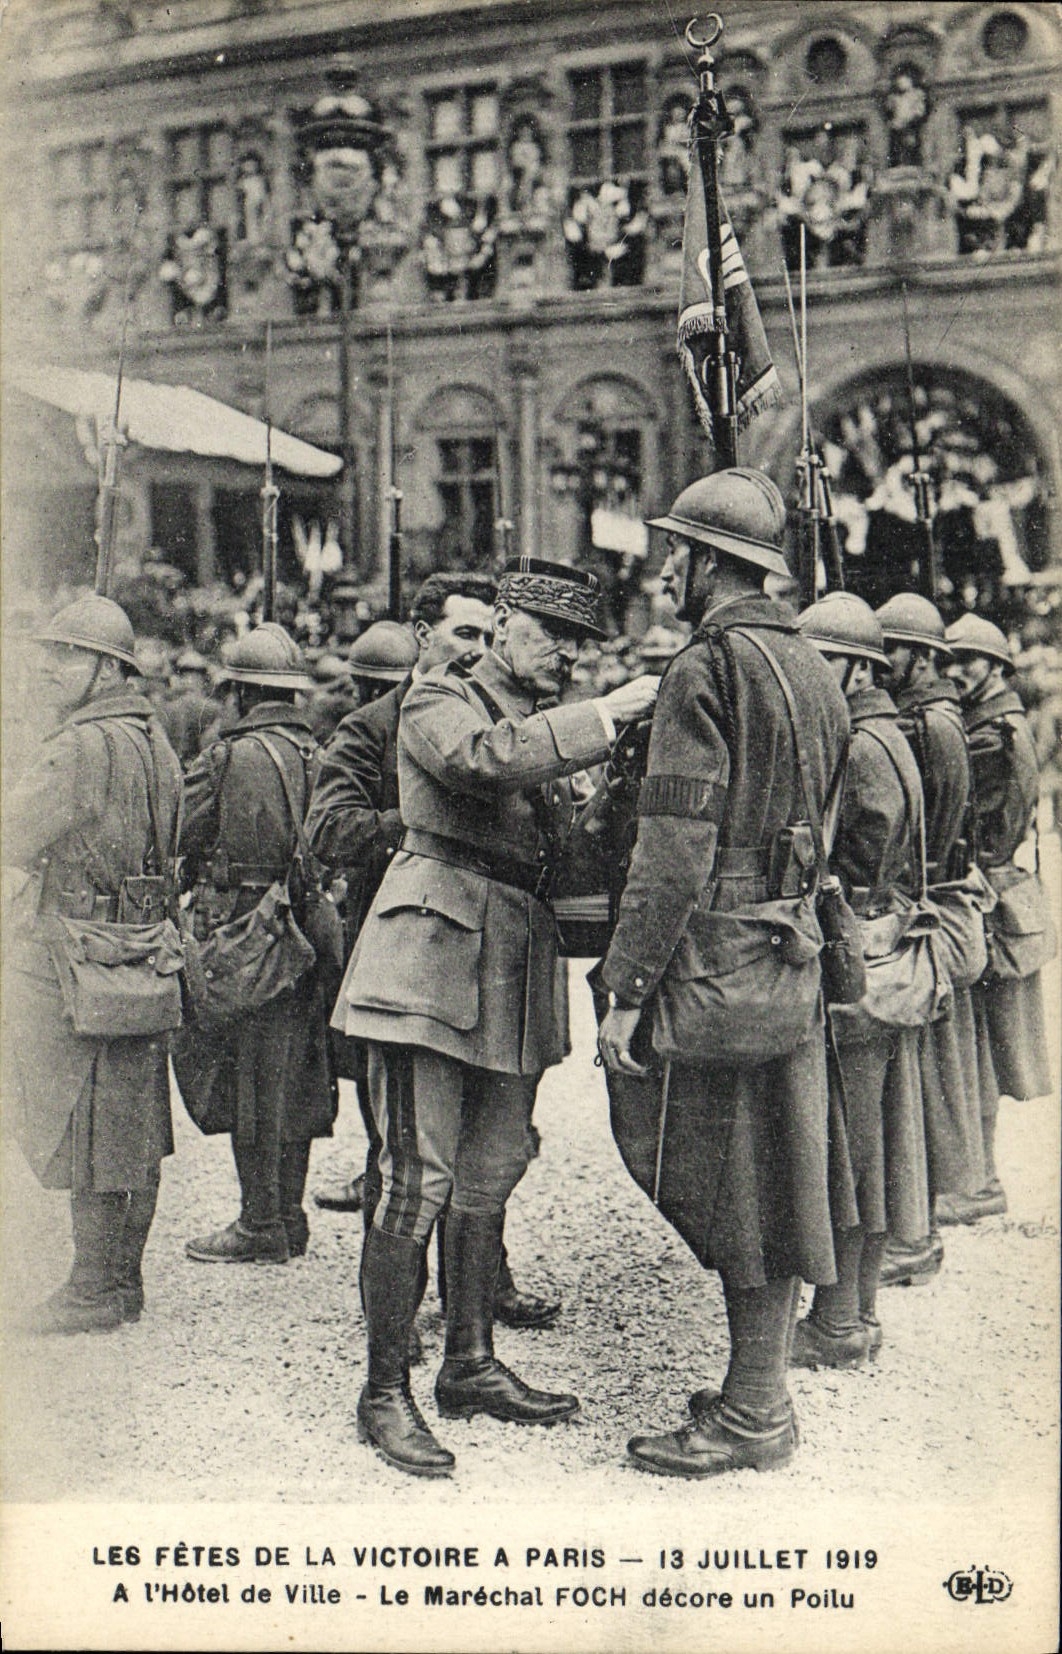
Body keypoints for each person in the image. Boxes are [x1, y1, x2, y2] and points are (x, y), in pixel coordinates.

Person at [335, 557, 659, 1476]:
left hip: (512, 962)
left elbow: (575, 850)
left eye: (584, 645)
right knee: (414, 1176)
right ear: (507, 623)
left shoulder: (534, 724)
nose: (569, 655)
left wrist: (627, 776)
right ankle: (384, 1391)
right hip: (426, 961)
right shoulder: (442, 696)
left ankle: (469, 1363)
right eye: (554, 635)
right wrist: (609, 716)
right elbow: (483, 766)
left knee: (488, 1173)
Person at [597, 469, 849, 1477]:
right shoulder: (814, 664)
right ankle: (757, 1395)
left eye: (677, 552)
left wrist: (624, 988)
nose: (664, 568)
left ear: (712, 565)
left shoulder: (703, 669)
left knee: (731, 1180)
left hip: (716, 964)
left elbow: (673, 849)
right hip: (788, 955)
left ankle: (753, 1414)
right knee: (780, 1174)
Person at [4, 595, 182, 1334]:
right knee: (135, 1121)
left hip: (76, 954)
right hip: (144, 950)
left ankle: (92, 1288)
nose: (50, 666)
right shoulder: (154, 737)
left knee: (82, 1120)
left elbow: (13, 835)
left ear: (107, 667)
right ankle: (121, 1281)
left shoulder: (76, 747)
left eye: (68, 655)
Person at [794, 594, 929, 1364]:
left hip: (860, 958)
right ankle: (855, 1312)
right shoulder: (887, 731)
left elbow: (861, 862)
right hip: (881, 952)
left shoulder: (864, 743)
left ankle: (840, 1322)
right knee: (867, 1144)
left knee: (848, 1149)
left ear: (852, 669)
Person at [177, 624, 337, 1265]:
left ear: (240, 693)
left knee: (248, 1076)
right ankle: (288, 1216)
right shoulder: (319, 754)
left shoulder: (226, 758)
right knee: (296, 1072)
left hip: (245, 931)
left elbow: (181, 835)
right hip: (308, 929)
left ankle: (259, 1222)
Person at [875, 593, 982, 1284]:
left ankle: (914, 1234)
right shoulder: (933, 716)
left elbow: (932, 838)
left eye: (892, 650)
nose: (882, 663)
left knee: (916, 1088)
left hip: (926, 908)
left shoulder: (932, 725)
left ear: (920, 656)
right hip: (929, 905)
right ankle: (921, 1223)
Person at [941, 612, 1053, 1220]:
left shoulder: (995, 733)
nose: (956, 672)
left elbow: (987, 828)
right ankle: (976, 1177)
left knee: (978, 1048)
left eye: (970, 662)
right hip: (1002, 900)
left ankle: (978, 1182)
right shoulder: (994, 719)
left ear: (997, 669)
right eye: (950, 661)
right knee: (981, 1047)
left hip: (992, 904)